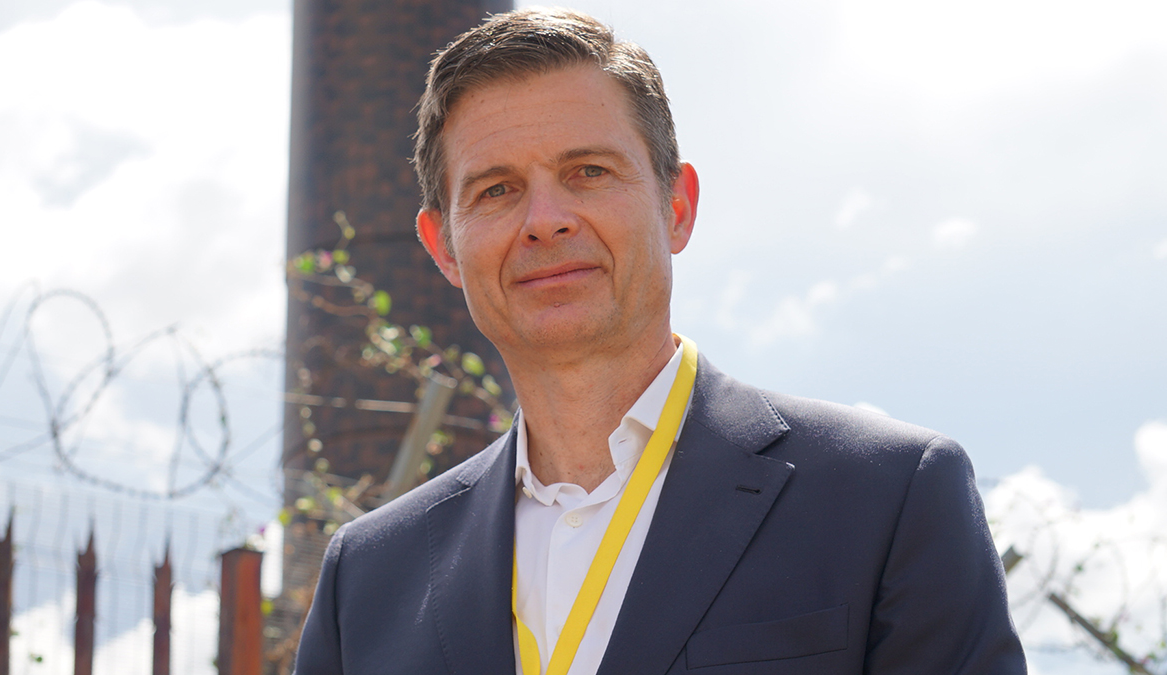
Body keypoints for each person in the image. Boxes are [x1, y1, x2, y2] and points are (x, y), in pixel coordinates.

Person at [294, 8, 1026, 674]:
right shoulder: (366, 580)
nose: (545, 220)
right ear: (444, 248)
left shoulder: (887, 498)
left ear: (676, 206)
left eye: (588, 172)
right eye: (497, 190)